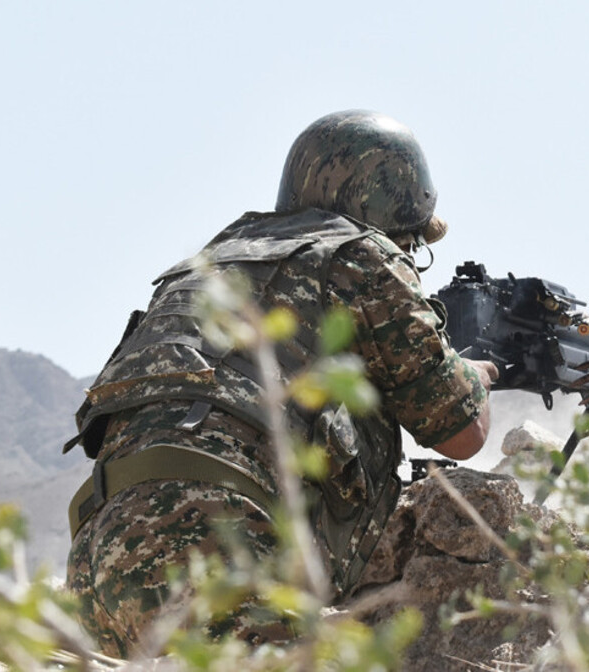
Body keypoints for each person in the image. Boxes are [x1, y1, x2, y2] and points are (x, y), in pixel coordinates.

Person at [63, 110, 497, 656]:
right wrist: (475, 375)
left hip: (97, 557)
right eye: (413, 244)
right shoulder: (362, 256)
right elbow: (461, 433)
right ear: (397, 214)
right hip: (214, 543)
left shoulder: (213, 259)